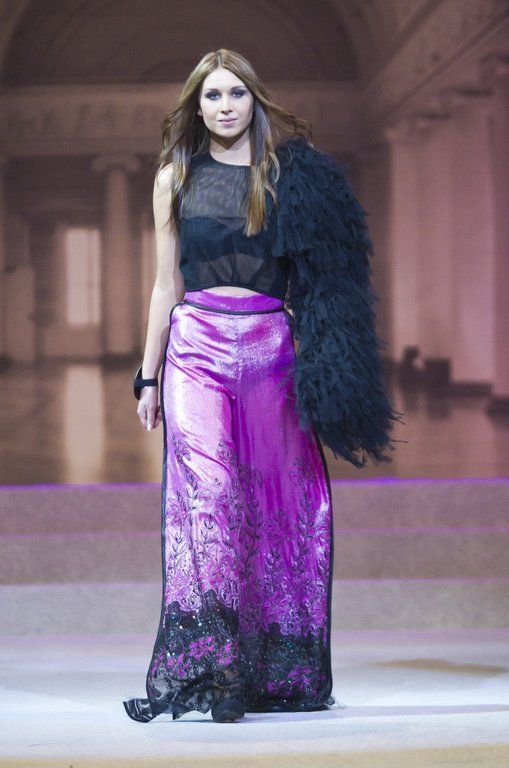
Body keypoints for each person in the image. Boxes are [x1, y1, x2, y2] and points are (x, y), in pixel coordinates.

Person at [123, 48, 405, 724]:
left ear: (254, 99)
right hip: (195, 347)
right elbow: (165, 283)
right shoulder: (174, 176)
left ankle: (271, 665)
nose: (224, 106)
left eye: (235, 94)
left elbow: (330, 278)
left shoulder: (289, 177)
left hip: (270, 349)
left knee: (280, 503)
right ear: (196, 107)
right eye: (211, 96)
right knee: (208, 498)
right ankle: (219, 670)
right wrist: (148, 374)